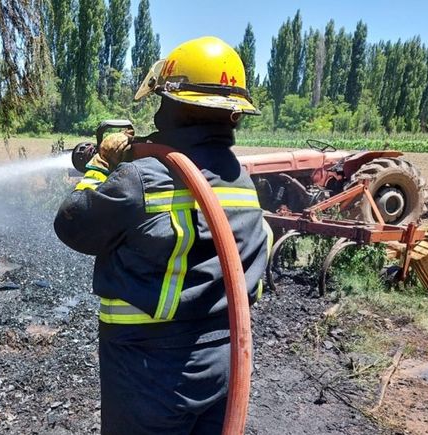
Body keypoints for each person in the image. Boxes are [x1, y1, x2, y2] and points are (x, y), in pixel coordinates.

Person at [54, 36, 272, 434]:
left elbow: (72, 225)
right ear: (234, 115)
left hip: (148, 370)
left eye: (162, 102)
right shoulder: (242, 181)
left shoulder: (142, 177)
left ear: (175, 106)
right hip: (224, 364)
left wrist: (101, 165)